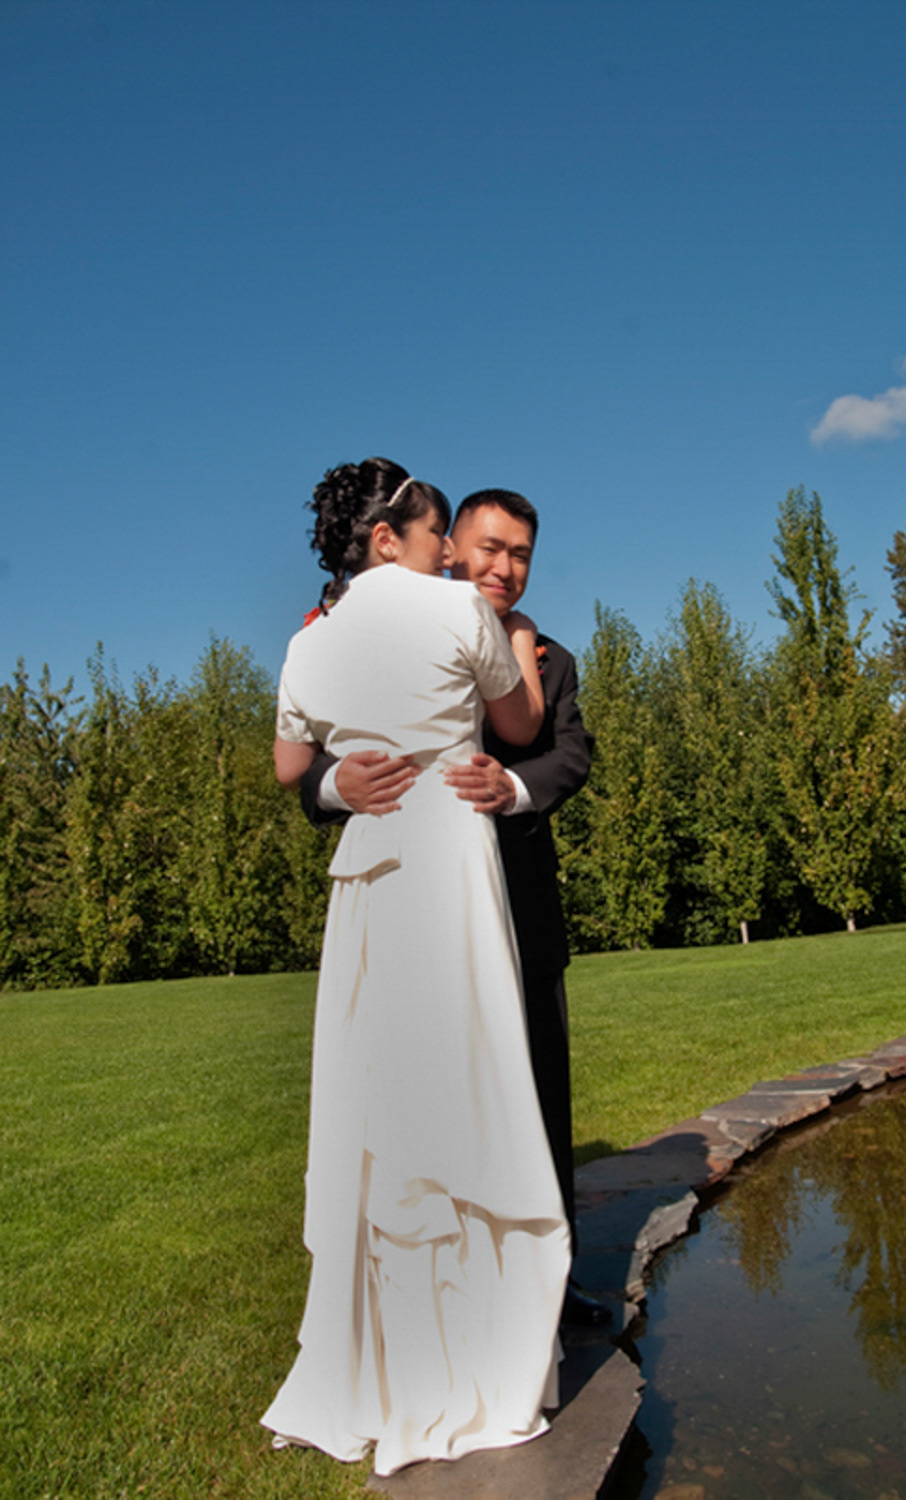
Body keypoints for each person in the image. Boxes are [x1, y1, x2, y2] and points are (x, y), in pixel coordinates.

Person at [262, 460, 571, 1476]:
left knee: (382, 1101)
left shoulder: (308, 642)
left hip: (369, 882)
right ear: (391, 533)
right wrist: (514, 648)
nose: (455, 550)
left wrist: (344, 783)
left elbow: (288, 771)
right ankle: (484, 1339)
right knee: (470, 1088)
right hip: (444, 862)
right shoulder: (456, 613)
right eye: (441, 529)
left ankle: (381, 1354)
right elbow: (520, 724)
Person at [300, 489, 605, 1323]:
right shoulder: (371, 638)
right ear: (446, 548)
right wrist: (336, 784)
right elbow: (311, 767)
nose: (503, 568)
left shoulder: (548, 656)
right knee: (423, 1103)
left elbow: (570, 754)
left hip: (522, 911)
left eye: (522, 555)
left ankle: (553, 1284)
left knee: (538, 1095)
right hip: (415, 911)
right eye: (488, 547)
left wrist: (512, 785)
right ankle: (434, 1286)